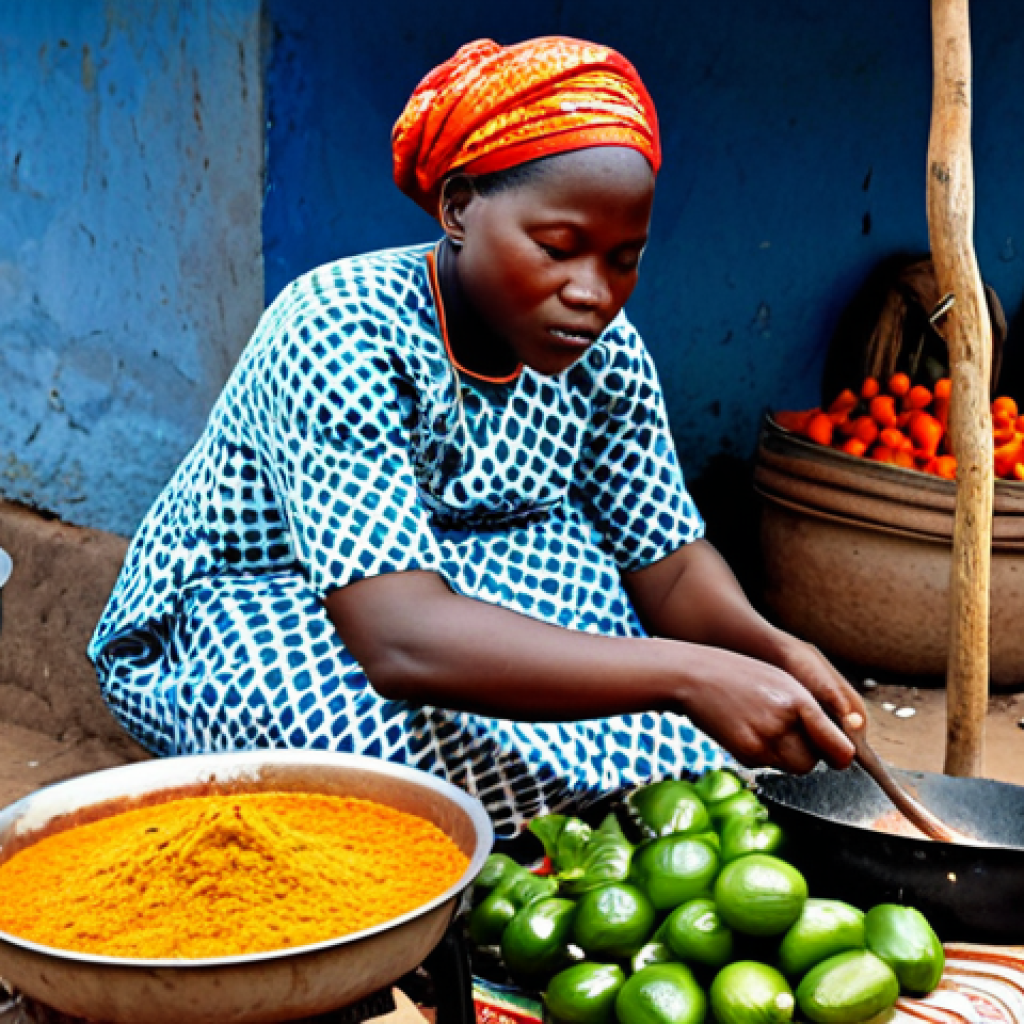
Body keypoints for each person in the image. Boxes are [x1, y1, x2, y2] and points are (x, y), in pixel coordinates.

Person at [90, 36, 865, 837]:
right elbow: (397, 641)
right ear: (458, 208)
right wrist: (688, 676)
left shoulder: (604, 352)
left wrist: (768, 650)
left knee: (681, 720)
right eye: (557, 249)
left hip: (477, 601)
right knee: (355, 757)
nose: (593, 293)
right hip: (292, 603)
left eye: (623, 259)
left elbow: (665, 569)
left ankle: (537, 811)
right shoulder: (339, 327)